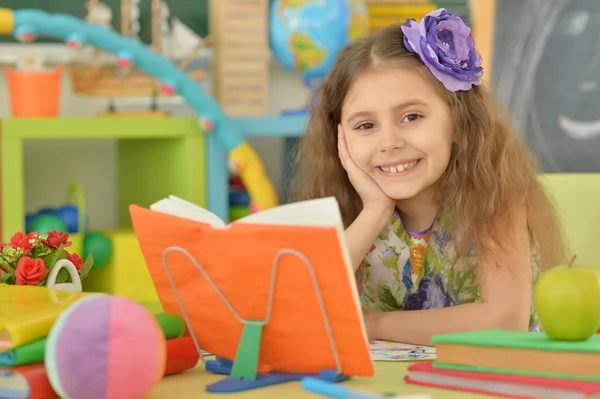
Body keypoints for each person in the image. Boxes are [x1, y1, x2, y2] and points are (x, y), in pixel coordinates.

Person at [290, 8, 567, 345]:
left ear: (459, 122)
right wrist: (374, 212)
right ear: (339, 139)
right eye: (366, 125)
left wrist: (374, 325)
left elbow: (503, 321)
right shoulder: (347, 208)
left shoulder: (494, 195)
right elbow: (301, 306)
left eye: (411, 117)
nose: (390, 142)